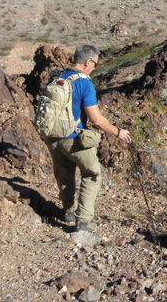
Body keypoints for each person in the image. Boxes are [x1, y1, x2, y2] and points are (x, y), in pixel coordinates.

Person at [43, 44, 132, 233]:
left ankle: (68, 211)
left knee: (64, 174)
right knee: (92, 174)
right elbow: (96, 120)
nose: (95, 67)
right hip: (72, 137)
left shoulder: (57, 77)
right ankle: (83, 221)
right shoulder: (84, 83)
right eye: (95, 64)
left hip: (52, 136)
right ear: (88, 62)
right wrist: (118, 132)